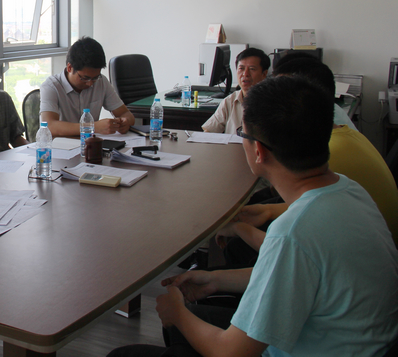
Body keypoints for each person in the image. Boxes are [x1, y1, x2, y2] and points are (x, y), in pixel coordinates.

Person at [108, 76, 398, 357]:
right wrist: (215, 279)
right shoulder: (350, 190)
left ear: (258, 151)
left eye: (242, 134)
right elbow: (294, 276)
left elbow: (231, 352)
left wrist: (177, 314)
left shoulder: (292, 233)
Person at [216, 56, 398, 266]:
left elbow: (292, 250)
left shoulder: (326, 155)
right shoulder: (342, 166)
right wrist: (266, 211)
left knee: (239, 247)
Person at [39, 36, 135, 138]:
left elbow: (126, 114)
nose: (90, 84)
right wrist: (92, 127)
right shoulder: (51, 87)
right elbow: (49, 126)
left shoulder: (101, 82)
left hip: (90, 144)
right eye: (85, 78)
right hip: (60, 145)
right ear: (69, 68)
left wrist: (125, 122)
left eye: (95, 78)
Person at [202, 48, 269, 134]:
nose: (245, 74)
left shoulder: (272, 103)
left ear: (264, 74)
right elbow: (209, 131)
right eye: (241, 68)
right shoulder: (229, 101)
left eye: (252, 69)